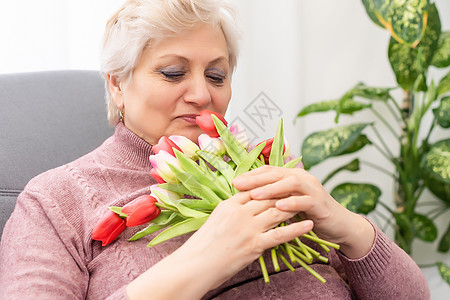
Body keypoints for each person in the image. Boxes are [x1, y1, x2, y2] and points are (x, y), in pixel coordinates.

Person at [0, 0, 429, 299]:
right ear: (117, 84)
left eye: (217, 75)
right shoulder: (57, 200)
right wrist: (206, 259)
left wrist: (344, 225)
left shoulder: (266, 167)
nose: (202, 95)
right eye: (173, 73)